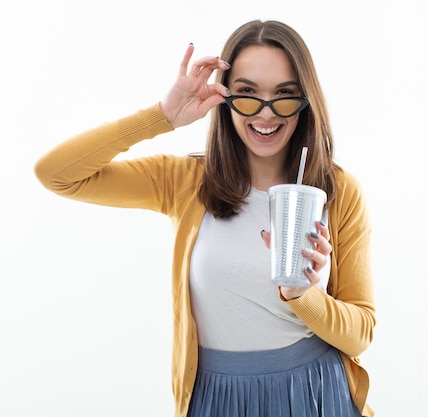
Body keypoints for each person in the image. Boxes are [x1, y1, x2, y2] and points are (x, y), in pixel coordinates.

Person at [35, 19, 376, 417]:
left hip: (315, 392)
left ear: (305, 102)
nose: (266, 113)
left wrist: (304, 295)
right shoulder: (185, 181)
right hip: (217, 398)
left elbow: (360, 335)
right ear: (225, 97)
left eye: (284, 95)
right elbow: (56, 174)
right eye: (247, 94)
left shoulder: (337, 191)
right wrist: (161, 116)